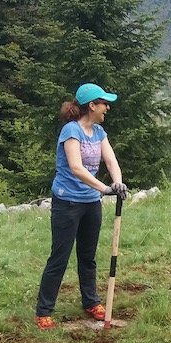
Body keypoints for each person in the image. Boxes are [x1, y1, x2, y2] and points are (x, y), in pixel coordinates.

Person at [34, 82, 128, 329]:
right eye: (103, 103)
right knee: (60, 257)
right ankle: (43, 311)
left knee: (88, 257)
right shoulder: (71, 131)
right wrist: (103, 188)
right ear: (92, 106)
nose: (107, 107)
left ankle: (91, 302)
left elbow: (110, 159)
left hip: (90, 204)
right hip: (67, 203)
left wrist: (117, 183)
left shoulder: (99, 133)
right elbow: (76, 168)